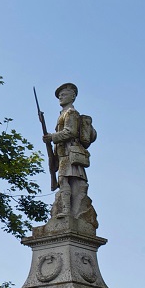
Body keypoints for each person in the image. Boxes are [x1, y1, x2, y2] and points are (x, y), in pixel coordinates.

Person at [42, 82, 98, 230]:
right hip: (63, 153)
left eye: (64, 94)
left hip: (69, 152)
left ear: (73, 96)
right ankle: (65, 210)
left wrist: (52, 137)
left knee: (63, 180)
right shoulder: (63, 114)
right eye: (59, 95)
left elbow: (70, 132)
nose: (60, 96)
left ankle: (67, 211)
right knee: (63, 181)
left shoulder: (71, 113)